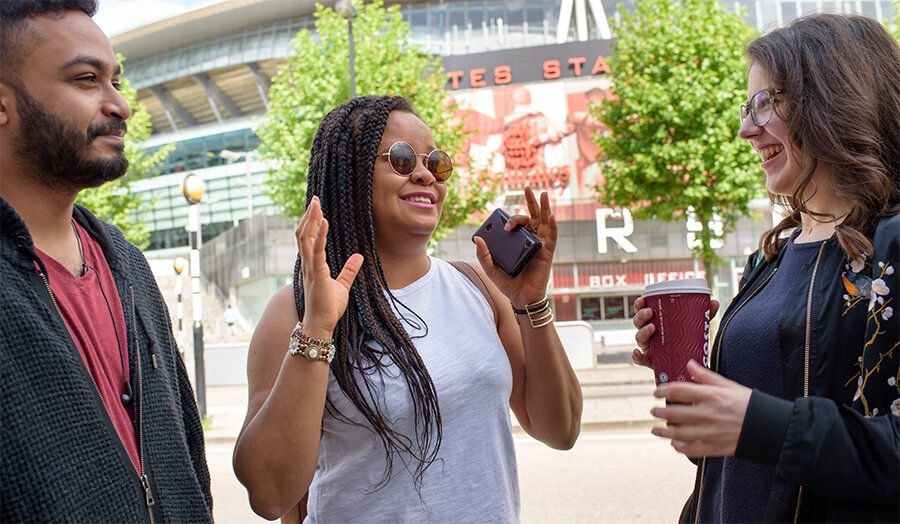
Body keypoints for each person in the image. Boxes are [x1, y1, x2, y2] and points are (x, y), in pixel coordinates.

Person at [232, 95, 582, 522]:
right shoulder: (295, 310)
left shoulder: (478, 289)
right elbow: (269, 495)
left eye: (437, 163)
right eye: (400, 159)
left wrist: (532, 304)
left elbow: (560, 429)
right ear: (351, 178)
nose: (424, 174)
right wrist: (318, 328)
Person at [631, 14, 899, 523]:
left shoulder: (891, 243)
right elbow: (729, 459)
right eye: (745, 107)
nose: (745, 128)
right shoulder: (770, 256)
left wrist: (764, 424)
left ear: (832, 96)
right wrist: (692, 387)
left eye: (765, 103)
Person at [0, 1, 213, 521]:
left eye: (116, 80)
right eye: (85, 79)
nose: (120, 105)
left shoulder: (128, 264)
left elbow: (186, 447)